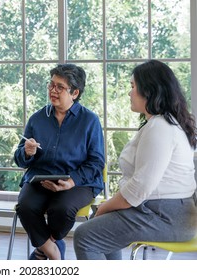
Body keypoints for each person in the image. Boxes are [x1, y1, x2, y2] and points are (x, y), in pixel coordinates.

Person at [73, 59, 197, 260]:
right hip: (168, 213)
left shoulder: (160, 128)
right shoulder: (163, 124)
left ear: (149, 90)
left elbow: (140, 189)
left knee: (85, 235)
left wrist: (106, 206)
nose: (129, 93)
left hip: (166, 217)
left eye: (133, 87)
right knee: (99, 228)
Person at [14, 63, 105, 260]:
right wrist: (27, 153)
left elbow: (97, 162)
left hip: (78, 182)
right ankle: (54, 252)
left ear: (74, 93)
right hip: (41, 179)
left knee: (61, 209)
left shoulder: (90, 120)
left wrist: (71, 181)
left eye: (60, 87)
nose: (53, 91)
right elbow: (19, 159)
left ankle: (43, 248)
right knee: (25, 207)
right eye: (51, 85)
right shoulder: (37, 118)